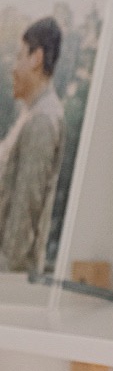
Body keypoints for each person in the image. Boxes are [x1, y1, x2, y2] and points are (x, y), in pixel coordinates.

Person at [0, 16, 66, 274]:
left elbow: (23, 219)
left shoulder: (42, 121)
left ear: (36, 58)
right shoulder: (30, 114)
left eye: (19, 57)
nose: (13, 68)